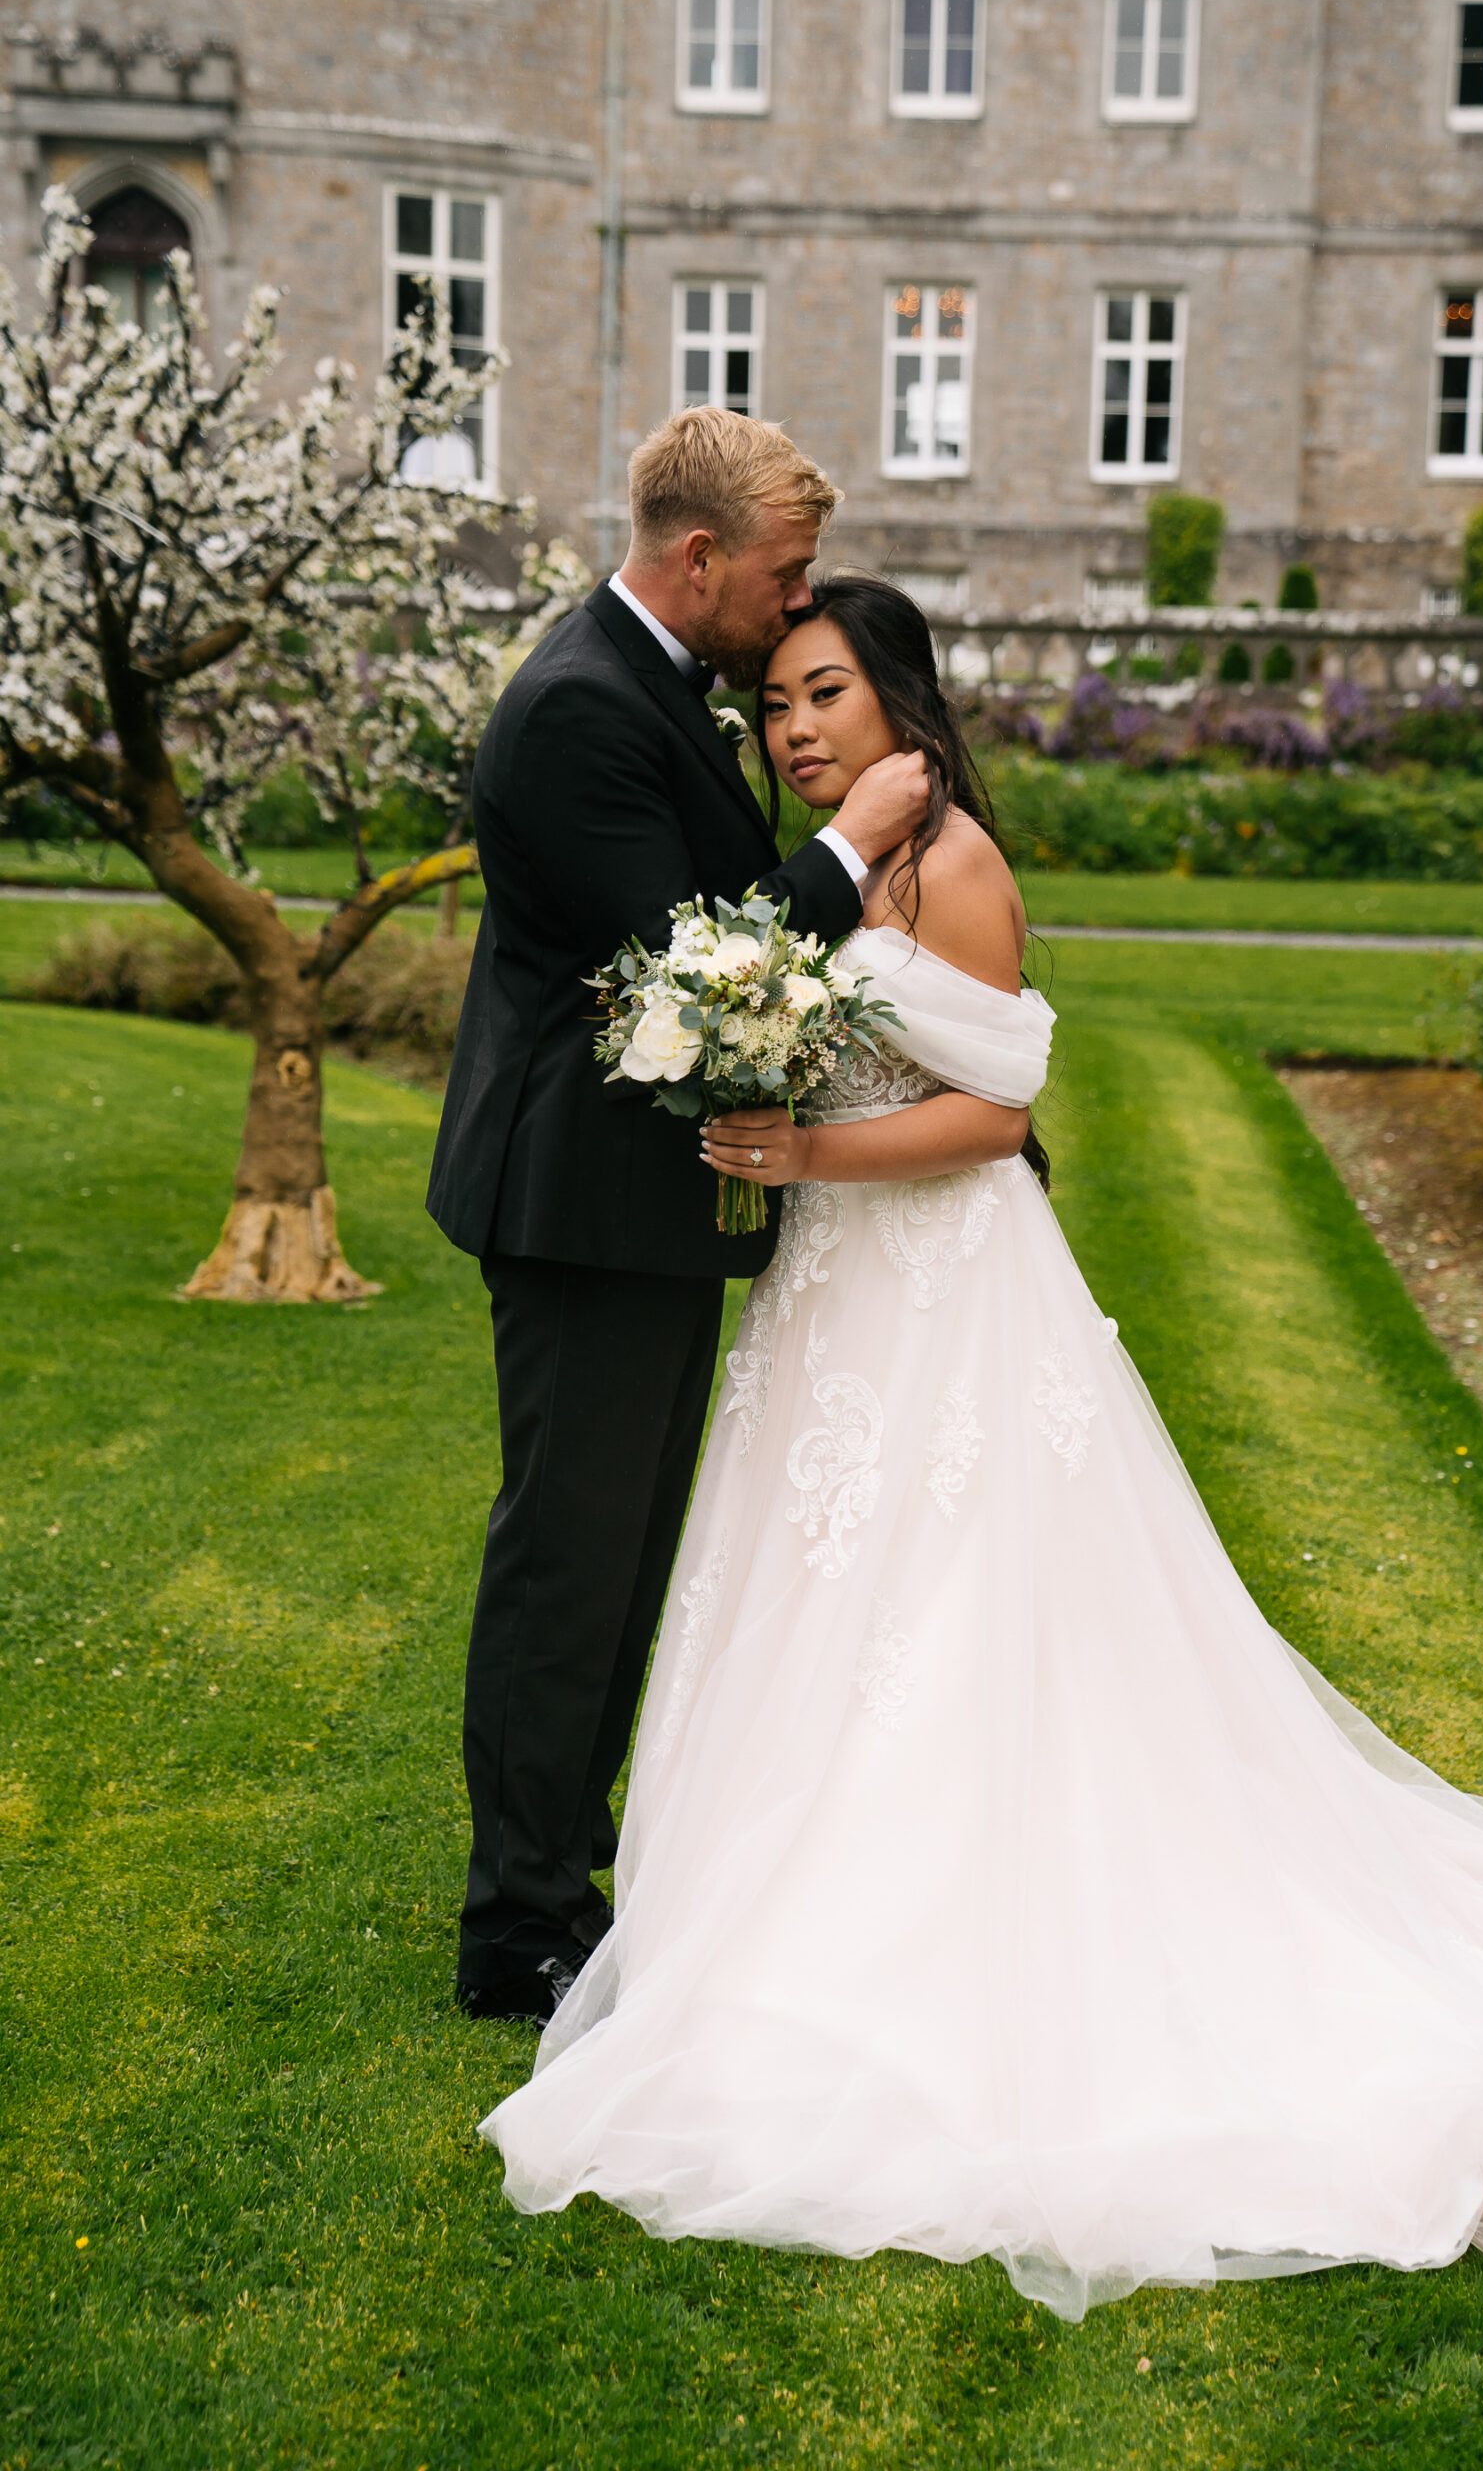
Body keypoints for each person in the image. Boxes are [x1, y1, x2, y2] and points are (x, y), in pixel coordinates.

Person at [479, 574, 1483, 2319]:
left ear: (899, 698)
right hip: (826, 1308)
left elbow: (994, 1116)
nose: (797, 727)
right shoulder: (814, 871)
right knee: (813, 1603)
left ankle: (960, 1922)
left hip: (944, 1295)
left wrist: (800, 1160)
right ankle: (769, 1929)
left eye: (828, 692)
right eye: (775, 704)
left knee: (965, 1608)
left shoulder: (955, 865)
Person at [427, 415, 930, 2029]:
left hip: (636, 1203)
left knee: (626, 1556)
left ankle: (567, 1872)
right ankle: (516, 1923)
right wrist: (852, 851)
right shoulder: (583, 707)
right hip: (576, 1201)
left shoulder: (655, 683)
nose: (792, 614)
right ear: (697, 559)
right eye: (779, 582)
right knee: (568, 1561)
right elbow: (701, 970)